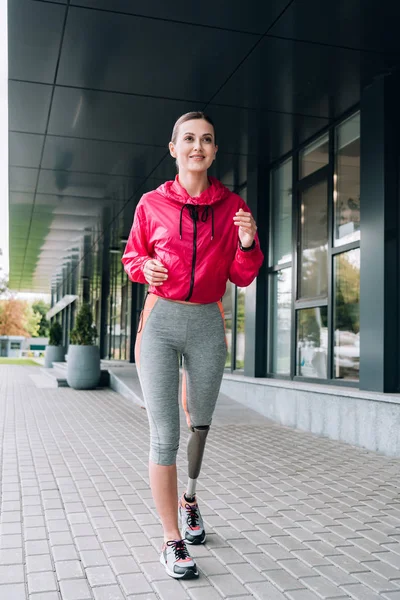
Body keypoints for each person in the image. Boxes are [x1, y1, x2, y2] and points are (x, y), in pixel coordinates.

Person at [122, 112, 264, 580]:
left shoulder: (232, 207)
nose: (197, 146)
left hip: (207, 322)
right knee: (164, 435)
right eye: (189, 139)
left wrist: (247, 241)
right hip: (160, 322)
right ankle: (172, 540)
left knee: (199, 423)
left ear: (215, 151)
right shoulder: (151, 203)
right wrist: (146, 267)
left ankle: (191, 498)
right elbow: (131, 257)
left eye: (206, 140)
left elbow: (242, 276)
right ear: (173, 148)